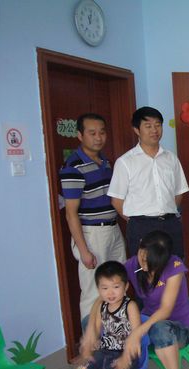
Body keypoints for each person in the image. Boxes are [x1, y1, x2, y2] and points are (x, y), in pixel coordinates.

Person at [59, 113, 126, 322]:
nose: (98, 137)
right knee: (93, 291)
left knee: (117, 285)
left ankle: (115, 335)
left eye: (102, 132)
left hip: (113, 229)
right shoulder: (73, 166)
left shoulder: (105, 161)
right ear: (80, 135)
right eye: (92, 133)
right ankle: (92, 340)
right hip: (91, 233)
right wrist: (83, 250)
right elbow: (70, 213)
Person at [122, 230, 189, 369]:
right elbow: (110, 281)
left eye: (150, 262)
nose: (144, 265)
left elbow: (165, 310)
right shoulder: (133, 265)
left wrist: (138, 332)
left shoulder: (174, 267)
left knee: (160, 329)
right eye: (142, 257)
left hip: (178, 329)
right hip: (148, 324)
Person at [108, 106, 189, 259]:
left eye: (158, 125)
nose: (154, 130)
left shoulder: (171, 158)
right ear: (137, 130)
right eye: (148, 126)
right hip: (141, 226)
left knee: (175, 267)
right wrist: (137, 221)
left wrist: (165, 211)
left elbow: (178, 193)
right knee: (144, 269)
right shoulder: (125, 161)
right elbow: (117, 201)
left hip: (171, 223)